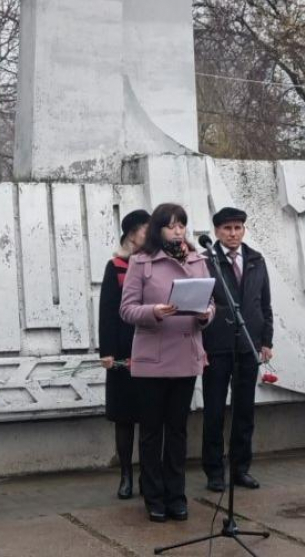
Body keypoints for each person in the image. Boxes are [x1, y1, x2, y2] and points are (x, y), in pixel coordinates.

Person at [120, 203, 214, 522]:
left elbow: (210, 302)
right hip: (152, 359)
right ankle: (154, 496)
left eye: (182, 225)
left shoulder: (198, 260)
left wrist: (206, 315)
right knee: (151, 432)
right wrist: (154, 312)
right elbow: (127, 309)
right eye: (171, 225)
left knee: (177, 431)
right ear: (159, 229)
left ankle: (177, 495)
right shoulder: (141, 262)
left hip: (186, 358)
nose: (178, 231)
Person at [201, 206, 274, 493]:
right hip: (217, 345)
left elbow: (264, 303)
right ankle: (214, 471)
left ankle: (240, 468)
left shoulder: (256, 259)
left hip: (248, 343)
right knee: (215, 411)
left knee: (245, 411)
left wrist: (266, 340)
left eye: (238, 228)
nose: (233, 234)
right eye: (227, 229)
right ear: (217, 231)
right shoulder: (207, 261)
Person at [98, 208, 150, 499]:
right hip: (121, 353)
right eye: (145, 229)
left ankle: (147, 474)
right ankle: (126, 475)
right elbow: (107, 312)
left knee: (149, 417)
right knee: (124, 418)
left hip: (150, 351)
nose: (149, 234)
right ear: (131, 234)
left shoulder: (157, 263)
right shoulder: (116, 265)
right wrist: (107, 352)